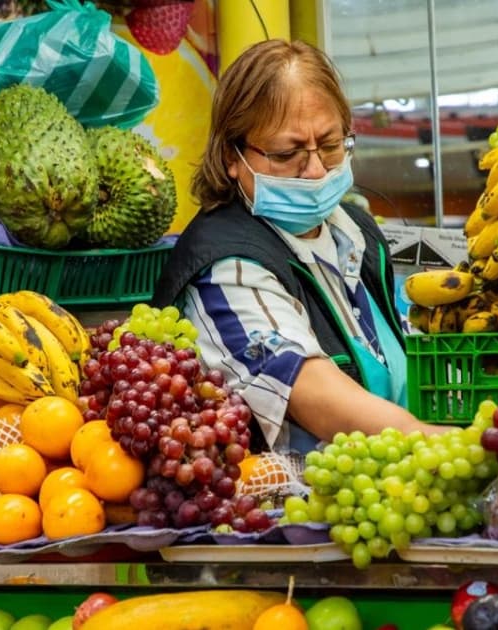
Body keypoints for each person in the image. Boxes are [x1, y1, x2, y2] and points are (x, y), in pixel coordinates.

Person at [153, 39, 447, 455]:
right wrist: (448, 443)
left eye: (329, 145)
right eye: (287, 153)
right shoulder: (226, 267)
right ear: (231, 156)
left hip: (402, 474)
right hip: (299, 505)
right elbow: (314, 396)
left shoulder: (356, 234)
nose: (314, 170)